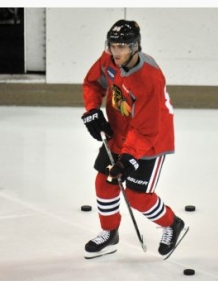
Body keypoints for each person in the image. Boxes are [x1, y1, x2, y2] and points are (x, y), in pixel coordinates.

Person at [81, 19, 188, 259]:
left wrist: (127, 158)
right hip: (120, 132)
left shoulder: (149, 78)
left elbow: (147, 129)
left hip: (151, 140)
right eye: (112, 45)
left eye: (122, 46)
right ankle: (110, 234)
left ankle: (172, 224)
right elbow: (92, 83)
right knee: (104, 182)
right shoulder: (108, 59)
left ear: (135, 47)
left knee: (137, 197)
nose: (116, 51)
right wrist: (92, 111)